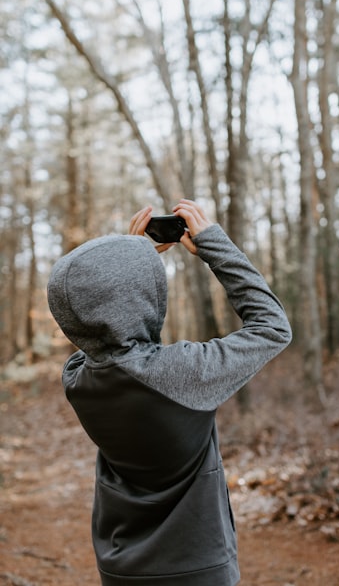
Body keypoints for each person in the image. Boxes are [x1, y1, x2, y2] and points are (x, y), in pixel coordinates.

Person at [47, 199, 292, 586]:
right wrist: (213, 245)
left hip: (119, 565)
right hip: (197, 569)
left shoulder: (77, 379)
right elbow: (272, 327)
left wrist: (129, 260)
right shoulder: (181, 375)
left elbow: (110, 340)